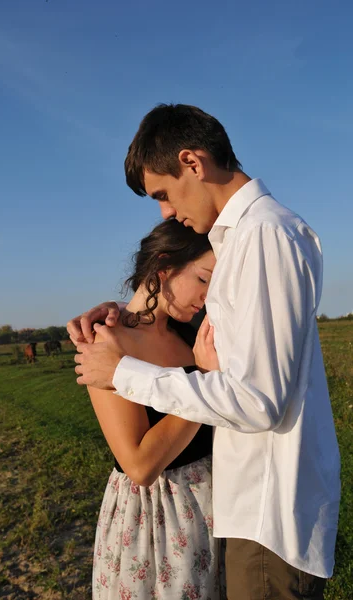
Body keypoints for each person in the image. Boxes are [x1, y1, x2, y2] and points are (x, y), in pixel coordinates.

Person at [69, 104, 340, 600]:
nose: (166, 212)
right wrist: (120, 315)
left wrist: (126, 372)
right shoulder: (246, 240)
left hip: (268, 512)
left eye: (163, 194)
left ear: (193, 162)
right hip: (245, 510)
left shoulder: (262, 237)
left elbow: (258, 400)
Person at [77, 219, 220, 599]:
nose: (208, 296)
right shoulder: (106, 342)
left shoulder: (192, 331)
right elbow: (139, 465)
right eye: (204, 279)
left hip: (215, 510)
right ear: (162, 268)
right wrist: (202, 380)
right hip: (159, 523)